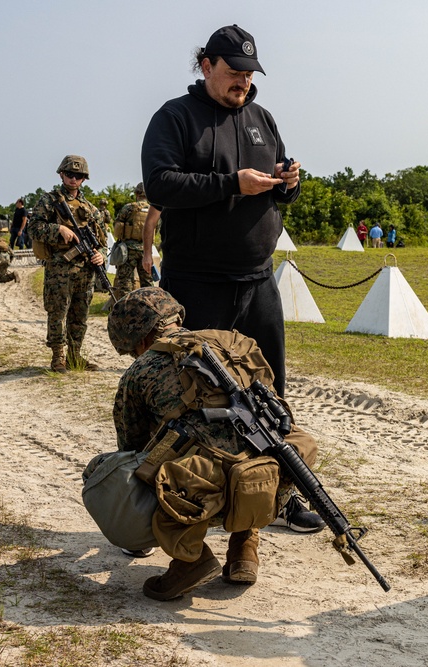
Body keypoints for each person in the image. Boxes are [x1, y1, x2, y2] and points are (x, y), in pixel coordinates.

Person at [107, 287, 322, 600]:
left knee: (139, 471)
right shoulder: (232, 343)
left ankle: (190, 560)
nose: (134, 357)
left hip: (205, 500)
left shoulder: (139, 372)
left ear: (139, 339)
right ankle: (244, 551)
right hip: (268, 487)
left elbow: (131, 450)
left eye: (131, 350)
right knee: (249, 447)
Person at [141, 24, 300, 399]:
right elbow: (160, 184)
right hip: (197, 285)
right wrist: (231, 183)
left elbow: (279, 194)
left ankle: (269, 460)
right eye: (234, 72)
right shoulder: (175, 117)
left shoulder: (262, 119)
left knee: (269, 392)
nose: (242, 82)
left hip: (259, 283)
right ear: (206, 66)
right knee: (199, 396)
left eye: (248, 74)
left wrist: (289, 182)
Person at [28, 155, 107, 373]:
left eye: (78, 176)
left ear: (84, 179)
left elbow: (102, 241)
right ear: (61, 174)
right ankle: (58, 357)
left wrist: (101, 256)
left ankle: (75, 356)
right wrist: (58, 229)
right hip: (59, 267)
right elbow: (33, 228)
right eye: (70, 174)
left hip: (85, 269)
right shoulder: (49, 201)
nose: (73, 179)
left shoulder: (90, 208)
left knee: (80, 314)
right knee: (57, 312)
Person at [111, 183, 155, 301]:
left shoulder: (128, 208)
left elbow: (117, 228)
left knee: (125, 282)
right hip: (146, 250)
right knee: (147, 283)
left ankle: (126, 309)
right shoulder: (153, 209)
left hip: (128, 250)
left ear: (136, 193)